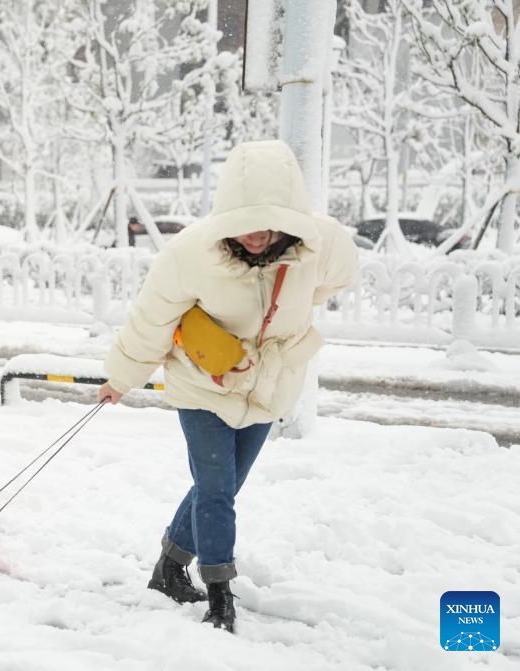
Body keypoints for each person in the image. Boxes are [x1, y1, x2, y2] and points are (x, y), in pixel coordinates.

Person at [97, 140, 358, 633]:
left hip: (267, 387)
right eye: (245, 222)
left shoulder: (321, 246)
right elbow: (151, 320)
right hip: (203, 387)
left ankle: (169, 566)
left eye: (268, 222)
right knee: (217, 491)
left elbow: (334, 280)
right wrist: (121, 378)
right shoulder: (190, 255)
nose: (256, 235)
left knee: (221, 484)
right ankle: (219, 593)